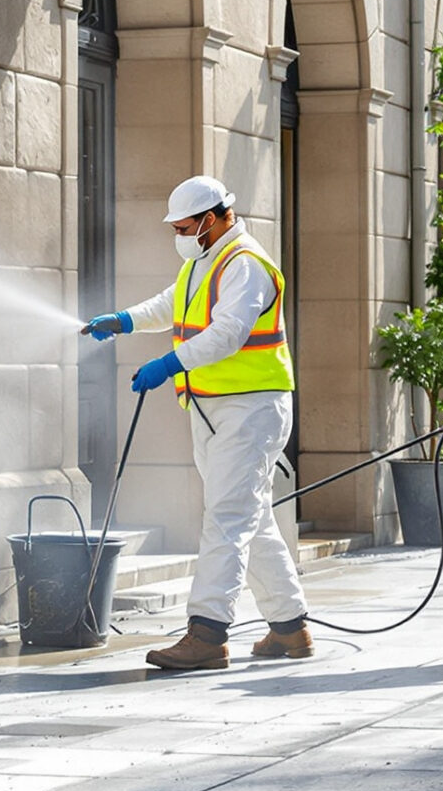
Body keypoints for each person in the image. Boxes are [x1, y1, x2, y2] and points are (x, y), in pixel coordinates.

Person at [82, 176, 311, 669]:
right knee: (251, 517)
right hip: (216, 408)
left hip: (251, 409)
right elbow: (171, 305)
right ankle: (290, 629)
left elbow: (229, 333)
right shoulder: (204, 262)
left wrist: (169, 365)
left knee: (227, 518)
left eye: (184, 227)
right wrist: (124, 320)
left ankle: (207, 633)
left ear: (211, 220)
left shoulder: (245, 264)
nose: (178, 236)